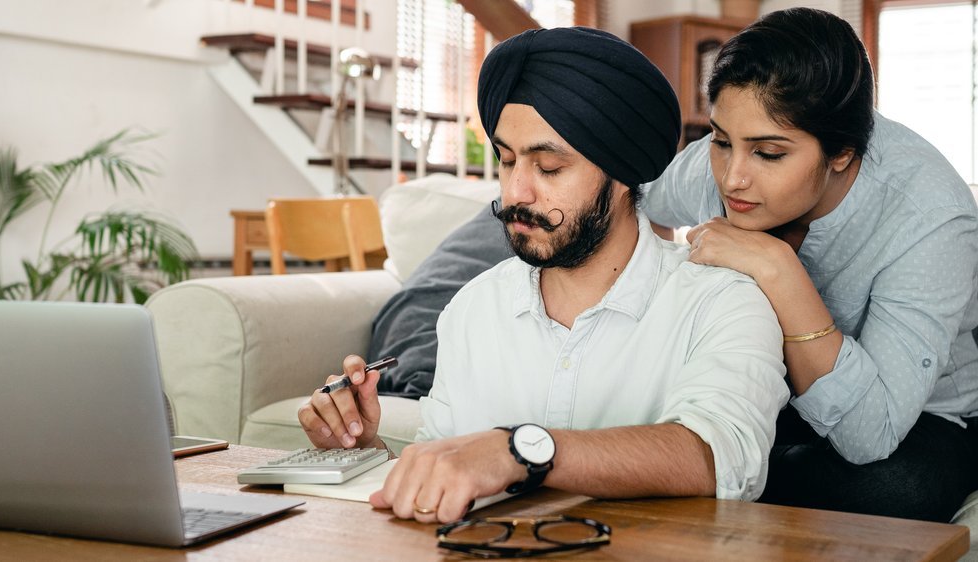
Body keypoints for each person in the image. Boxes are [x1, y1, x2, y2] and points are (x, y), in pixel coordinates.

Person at [299, 26, 790, 523]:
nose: (516, 192)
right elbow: (446, 471)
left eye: (549, 167)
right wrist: (363, 447)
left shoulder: (723, 300)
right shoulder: (473, 309)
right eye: (506, 160)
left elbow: (721, 460)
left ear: (623, 174)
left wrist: (518, 451)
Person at [641, 7, 978, 522]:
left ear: (842, 152)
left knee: (896, 492)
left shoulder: (930, 216)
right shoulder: (721, 164)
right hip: (774, 391)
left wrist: (776, 268)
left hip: (921, 414)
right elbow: (636, 206)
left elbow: (872, 432)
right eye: (722, 141)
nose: (733, 179)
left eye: (769, 154)